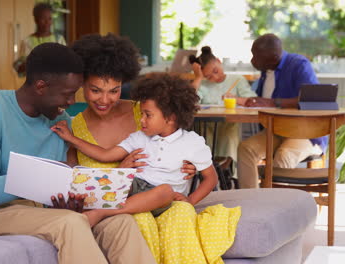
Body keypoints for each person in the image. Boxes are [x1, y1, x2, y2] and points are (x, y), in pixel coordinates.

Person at [0, 43, 156, 264]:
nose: (71, 103)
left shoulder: (62, 123)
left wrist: (68, 200)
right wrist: (37, 176)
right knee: (70, 222)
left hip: (40, 212)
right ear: (41, 86)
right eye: (67, 95)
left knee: (121, 223)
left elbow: (58, 189)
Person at [69, 34, 239, 264]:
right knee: (140, 221)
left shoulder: (145, 111)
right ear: (82, 84)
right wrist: (120, 172)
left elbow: (174, 140)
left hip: (162, 199)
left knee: (179, 213)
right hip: (116, 206)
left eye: (115, 90)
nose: (105, 100)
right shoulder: (75, 127)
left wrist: (188, 167)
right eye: (95, 90)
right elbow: (74, 181)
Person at [52, 73, 218, 227]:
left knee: (165, 190)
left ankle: (102, 212)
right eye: (141, 114)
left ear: (171, 118)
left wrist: (190, 200)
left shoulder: (192, 142)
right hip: (136, 186)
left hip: (163, 197)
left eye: (147, 115)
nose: (141, 120)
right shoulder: (140, 137)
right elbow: (105, 155)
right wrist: (71, 138)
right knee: (115, 180)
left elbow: (210, 178)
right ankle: (80, 212)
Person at [237, 33, 324, 189]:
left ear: (273, 57)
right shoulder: (267, 69)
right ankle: (251, 201)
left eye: (257, 56)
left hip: (306, 132)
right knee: (246, 149)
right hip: (277, 130)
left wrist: (272, 102)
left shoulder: (299, 65)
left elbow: (311, 98)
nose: (252, 60)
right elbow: (265, 103)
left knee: (284, 155)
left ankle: (274, 208)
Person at [189, 46, 256, 164]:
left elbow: (253, 101)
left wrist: (236, 99)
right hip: (207, 125)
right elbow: (189, 101)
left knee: (230, 133)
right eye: (208, 77)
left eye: (215, 71)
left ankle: (227, 166)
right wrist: (198, 78)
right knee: (202, 134)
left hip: (229, 123)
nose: (215, 77)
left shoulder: (237, 80)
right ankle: (206, 166)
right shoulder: (202, 84)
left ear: (219, 62)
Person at [13, 3, 66, 76]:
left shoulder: (59, 40)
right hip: (34, 85)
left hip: (56, 85)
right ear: (36, 20)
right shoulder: (27, 41)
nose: (47, 22)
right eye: (43, 18)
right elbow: (19, 68)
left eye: (49, 18)